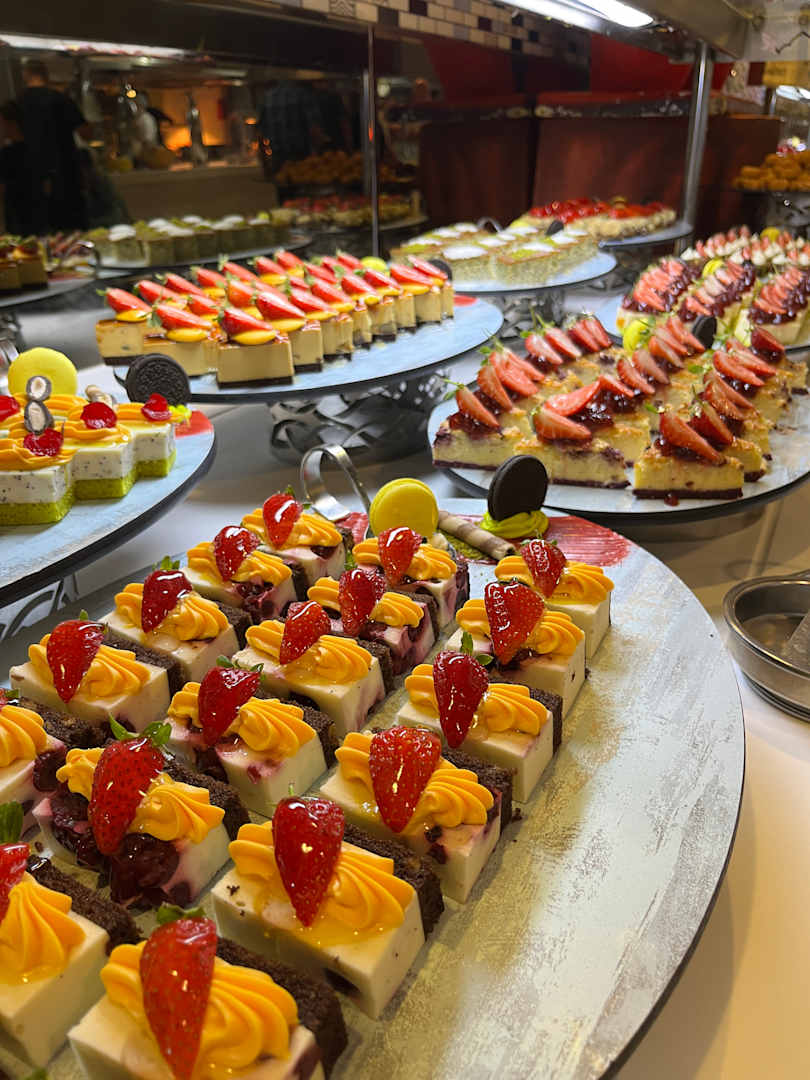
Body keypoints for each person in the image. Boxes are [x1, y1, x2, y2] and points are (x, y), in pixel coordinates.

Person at [17, 59, 90, 233]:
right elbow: (86, 132)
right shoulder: (60, 99)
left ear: (25, 75)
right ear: (46, 75)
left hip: (32, 174)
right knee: (71, 228)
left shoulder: (18, 102)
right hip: (66, 172)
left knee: (41, 230)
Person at [258, 80, 325, 176]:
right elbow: (315, 129)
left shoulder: (268, 96)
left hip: (278, 157)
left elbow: (260, 132)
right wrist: (319, 154)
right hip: (302, 157)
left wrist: (265, 163)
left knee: (282, 182)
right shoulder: (303, 94)